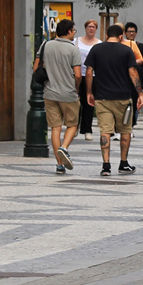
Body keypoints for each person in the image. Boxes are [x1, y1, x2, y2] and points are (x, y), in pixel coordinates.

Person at [85, 24, 143, 176]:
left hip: (102, 97)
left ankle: (106, 165)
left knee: (105, 131)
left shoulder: (96, 49)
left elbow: (89, 71)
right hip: (123, 97)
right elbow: (133, 72)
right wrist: (140, 93)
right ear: (121, 37)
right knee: (125, 131)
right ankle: (123, 163)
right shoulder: (126, 50)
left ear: (106, 36)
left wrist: (89, 92)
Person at [32, 18, 83, 174]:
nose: (74, 33)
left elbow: (36, 68)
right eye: (73, 31)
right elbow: (78, 74)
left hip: (50, 93)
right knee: (72, 125)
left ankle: (59, 164)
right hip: (68, 93)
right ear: (68, 32)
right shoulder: (73, 49)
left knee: (55, 128)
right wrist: (76, 87)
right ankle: (64, 147)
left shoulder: (46, 45)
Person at [75, 19, 100, 140]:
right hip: (78, 74)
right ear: (85, 28)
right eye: (89, 26)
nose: (91, 29)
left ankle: (87, 129)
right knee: (75, 103)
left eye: (93, 27)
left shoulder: (99, 43)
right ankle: (74, 127)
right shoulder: (76, 42)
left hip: (93, 76)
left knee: (89, 103)